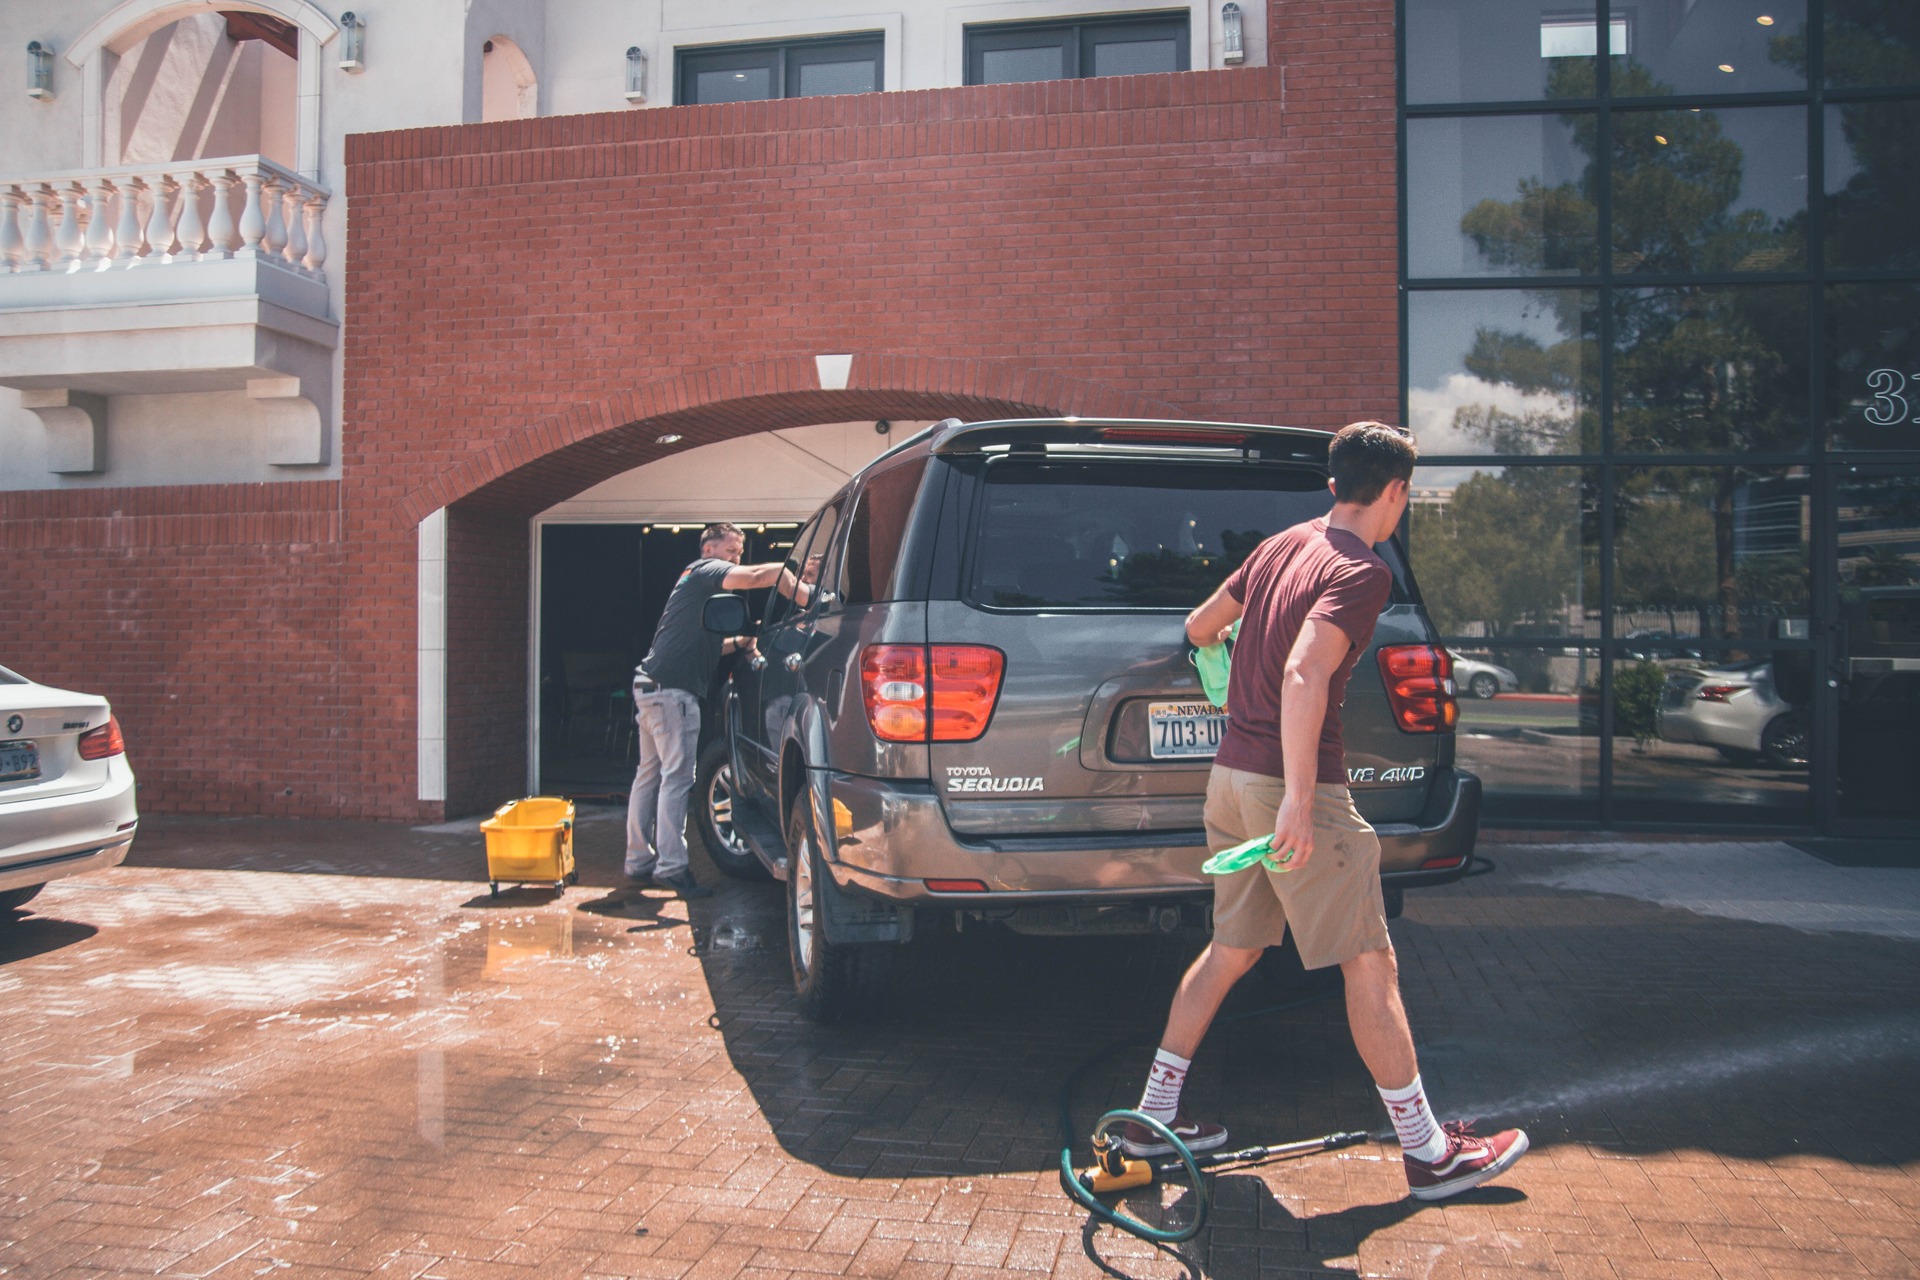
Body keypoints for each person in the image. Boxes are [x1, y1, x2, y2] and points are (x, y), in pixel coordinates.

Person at [1117, 422, 1528, 1203]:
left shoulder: (1280, 546)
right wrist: (1302, 803)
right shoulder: (1362, 570)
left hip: (1230, 780)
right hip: (1287, 790)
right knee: (1371, 961)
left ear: (1335, 485)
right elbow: (1305, 671)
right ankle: (1429, 1154)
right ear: (1397, 492)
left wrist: (1236, 664)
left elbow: (1200, 627)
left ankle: (1151, 1119)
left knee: (1231, 949)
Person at [626, 522, 815, 899]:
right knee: (677, 778)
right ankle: (671, 868)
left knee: (649, 776)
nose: (736, 559)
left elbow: (705, 646)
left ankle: (637, 860)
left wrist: (741, 642)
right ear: (709, 549)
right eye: (731, 551)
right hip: (672, 694)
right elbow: (759, 576)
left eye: (739, 553)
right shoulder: (704, 570)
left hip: (649, 685)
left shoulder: (693, 587)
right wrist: (797, 586)